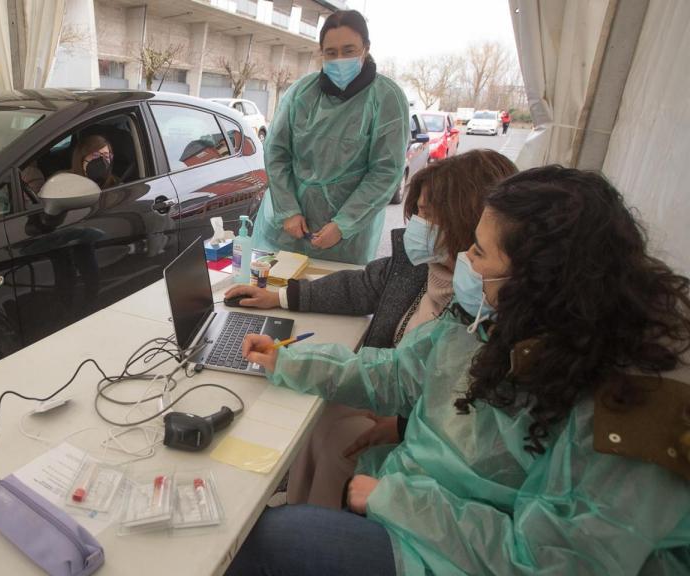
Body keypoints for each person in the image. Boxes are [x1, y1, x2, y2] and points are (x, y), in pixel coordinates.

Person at [229, 166, 690, 575]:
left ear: (540, 277)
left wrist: (397, 500)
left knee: (268, 541)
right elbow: (398, 374)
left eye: (480, 251)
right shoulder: (498, 319)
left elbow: (555, 562)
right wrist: (288, 360)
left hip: (450, 552)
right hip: (423, 513)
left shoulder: (628, 409)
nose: (466, 259)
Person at [227, 149, 517, 508]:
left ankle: (313, 523)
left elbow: (462, 415)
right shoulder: (419, 266)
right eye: (417, 212)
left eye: (427, 214)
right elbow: (361, 291)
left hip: (421, 433)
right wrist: (280, 298)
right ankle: (301, 507)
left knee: (336, 440)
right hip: (392, 397)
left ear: (467, 221)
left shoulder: (481, 307)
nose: (416, 224)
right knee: (316, 418)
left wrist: (403, 425)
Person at [252, 10, 409, 264]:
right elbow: (276, 153)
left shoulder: (386, 98)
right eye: (331, 52)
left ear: (366, 48)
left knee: (335, 287)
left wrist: (344, 224)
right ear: (321, 53)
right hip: (288, 232)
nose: (339, 60)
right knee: (274, 286)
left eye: (349, 51)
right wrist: (288, 210)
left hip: (345, 242)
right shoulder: (301, 93)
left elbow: (386, 171)